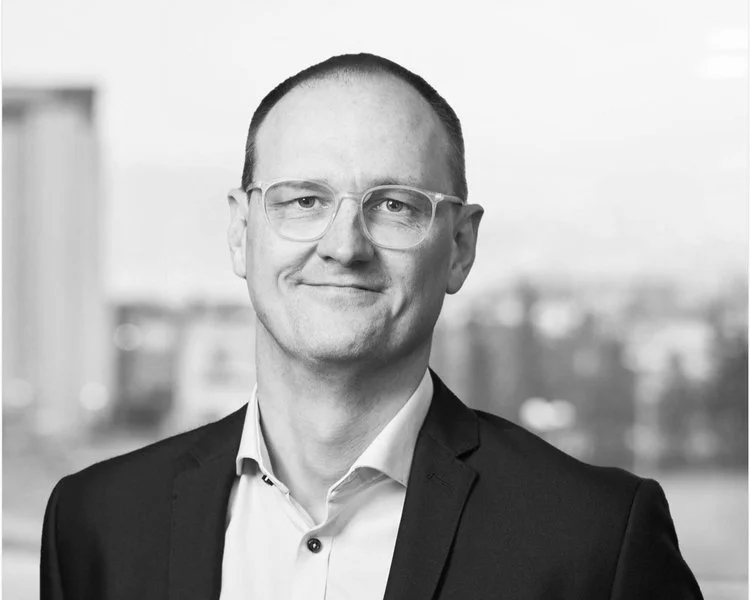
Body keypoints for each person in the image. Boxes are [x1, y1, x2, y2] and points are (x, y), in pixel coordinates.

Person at [40, 53, 703, 599]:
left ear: (461, 246)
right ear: (241, 231)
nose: (343, 246)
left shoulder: (595, 540)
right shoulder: (97, 524)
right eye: (304, 200)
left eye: (394, 206)